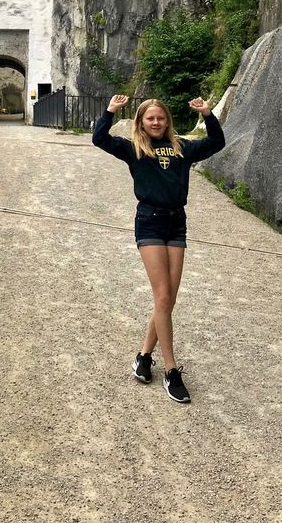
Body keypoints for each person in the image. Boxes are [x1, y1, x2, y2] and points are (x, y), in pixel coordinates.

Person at [92, 94, 225, 404]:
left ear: (168, 121)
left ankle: (142, 357)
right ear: (140, 122)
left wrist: (207, 114)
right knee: (163, 297)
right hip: (149, 221)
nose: (155, 122)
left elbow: (216, 142)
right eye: (149, 118)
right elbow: (99, 138)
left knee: (167, 300)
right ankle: (171, 370)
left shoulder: (183, 147)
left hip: (176, 223)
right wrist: (110, 111)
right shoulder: (133, 149)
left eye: (160, 118)